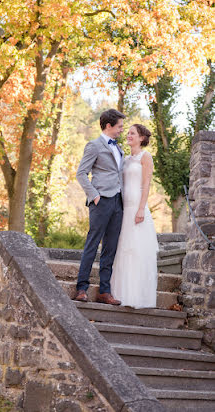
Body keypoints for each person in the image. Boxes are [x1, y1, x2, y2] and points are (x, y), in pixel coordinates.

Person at [74, 109, 126, 305]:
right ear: (109, 126)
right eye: (119, 126)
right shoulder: (94, 146)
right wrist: (94, 195)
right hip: (101, 200)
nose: (122, 130)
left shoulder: (118, 148)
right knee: (93, 244)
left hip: (118, 202)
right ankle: (81, 288)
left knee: (110, 248)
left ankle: (105, 291)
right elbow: (81, 173)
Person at [111, 124, 159, 309]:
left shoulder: (145, 157)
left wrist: (141, 209)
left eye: (132, 133)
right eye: (128, 133)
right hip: (123, 209)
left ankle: (138, 296)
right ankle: (121, 293)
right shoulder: (125, 157)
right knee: (123, 250)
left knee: (137, 251)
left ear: (141, 138)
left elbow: (146, 184)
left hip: (137, 208)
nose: (128, 135)